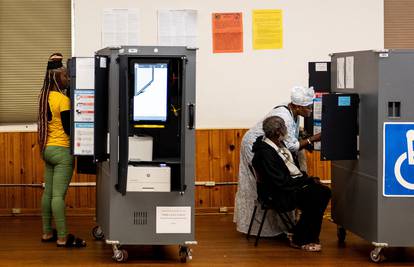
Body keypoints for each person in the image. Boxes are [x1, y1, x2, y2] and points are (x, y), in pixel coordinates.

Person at [233, 86, 320, 236]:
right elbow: (292, 146)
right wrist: (314, 138)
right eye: (309, 108)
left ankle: (281, 225)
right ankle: (268, 227)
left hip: (273, 145)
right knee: (267, 182)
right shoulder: (284, 115)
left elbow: (291, 136)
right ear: (298, 106)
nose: (311, 111)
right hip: (257, 146)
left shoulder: (293, 111)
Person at [252, 116, 331, 252]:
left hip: (289, 185)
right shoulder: (265, 153)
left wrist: (308, 180)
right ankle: (302, 238)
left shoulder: (277, 144)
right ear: (278, 132)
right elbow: (280, 182)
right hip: (277, 193)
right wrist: (307, 181)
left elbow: (291, 171)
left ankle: (303, 233)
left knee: (323, 191)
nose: (286, 130)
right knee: (318, 195)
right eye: (284, 127)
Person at [38, 53, 86, 247]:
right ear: (58, 78)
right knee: (58, 196)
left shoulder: (44, 96)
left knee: (48, 193)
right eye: (66, 76)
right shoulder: (63, 100)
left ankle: (47, 233)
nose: (68, 79)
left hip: (47, 150)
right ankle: (63, 237)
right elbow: (69, 129)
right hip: (62, 151)